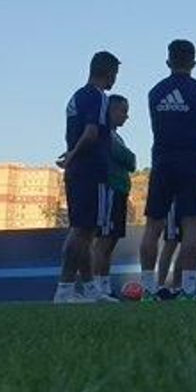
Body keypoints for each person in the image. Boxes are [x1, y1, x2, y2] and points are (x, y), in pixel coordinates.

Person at [142, 40, 196, 300]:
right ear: (194, 62)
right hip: (192, 162)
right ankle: (187, 288)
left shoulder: (155, 92)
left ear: (168, 61)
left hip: (163, 161)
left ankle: (147, 287)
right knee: (192, 225)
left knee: (153, 225)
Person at [55, 50, 119, 303]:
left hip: (77, 170)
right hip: (91, 170)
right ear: (108, 72)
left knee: (83, 231)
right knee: (83, 232)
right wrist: (73, 155)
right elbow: (91, 133)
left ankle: (90, 288)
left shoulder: (76, 97)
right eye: (115, 74)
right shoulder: (98, 97)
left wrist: (71, 154)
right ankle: (65, 288)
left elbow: (76, 132)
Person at [89, 94, 134, 298]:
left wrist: (128, 157)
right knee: (103, 240)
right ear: (111, 110)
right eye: (123, 111)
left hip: (120, 191)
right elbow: (126, 157)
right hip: (109, 189)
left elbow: (132, 162)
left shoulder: (118, 136)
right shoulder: (104, 133)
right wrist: (127, 156)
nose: (126, 116)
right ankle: (96, 286)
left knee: (111, 240)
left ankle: (105, 286)